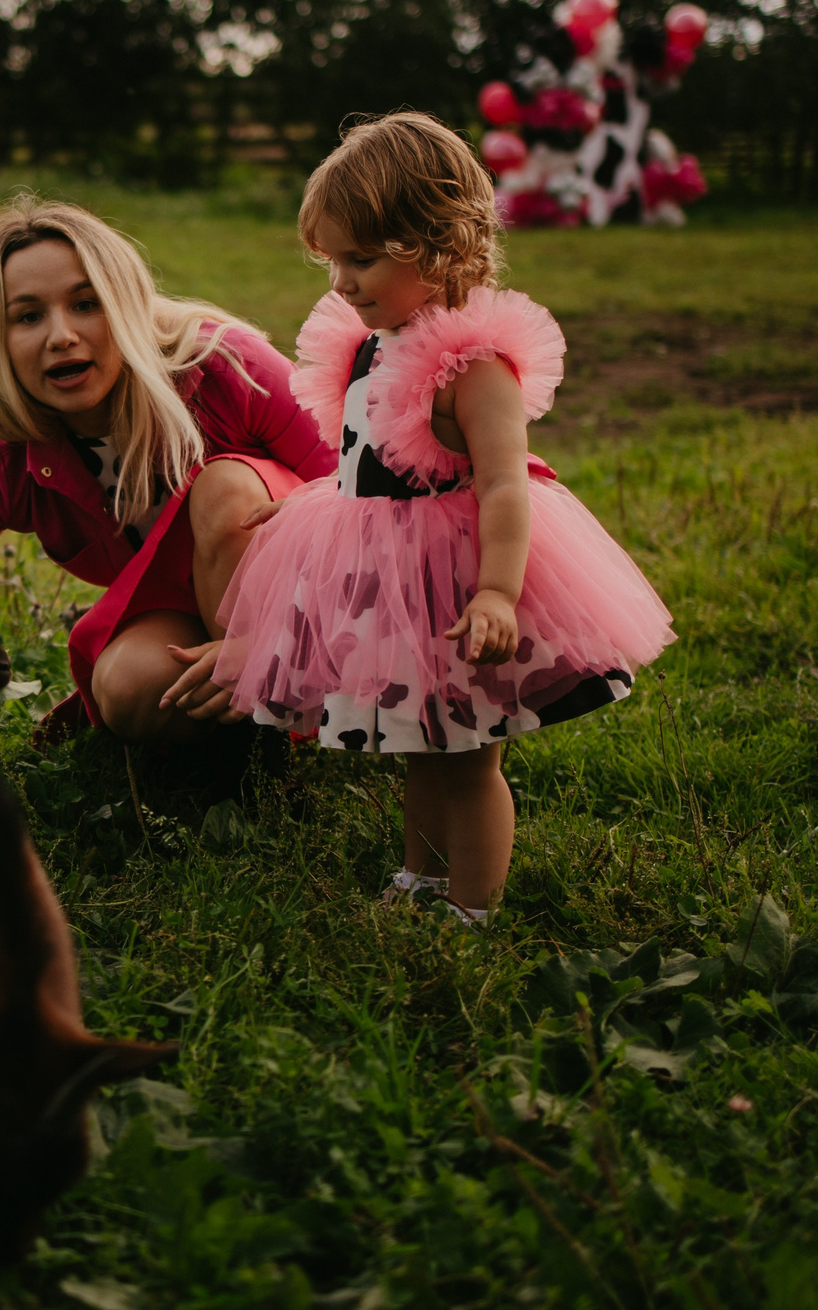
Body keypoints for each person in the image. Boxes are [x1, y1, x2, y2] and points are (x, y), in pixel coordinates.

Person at [202, 114, 674, 922]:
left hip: (454, 585)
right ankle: (420, 875)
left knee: (468, 760)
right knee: (411, 740)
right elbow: (358, 465)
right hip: (384, 578)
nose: (342, 282)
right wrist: (290, 517)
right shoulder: (365, 344)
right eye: (332, 262)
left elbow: (504, 486)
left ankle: (473, 906)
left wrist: (496, 591)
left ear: (441, 245)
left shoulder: (473, 367)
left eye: (362, 259)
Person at [0, 197, 336, 747]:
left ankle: (293, 709)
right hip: (188, 616)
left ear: (128, 304)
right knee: (127, 687)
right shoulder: (13, 447)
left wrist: (270, 642)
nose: (60, 335)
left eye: (86, 304)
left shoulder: (224, 365)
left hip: (311, 611)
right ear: (0, 338)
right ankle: (248, 758)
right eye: (28, 316)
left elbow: (358, 486)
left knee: (225, 490)